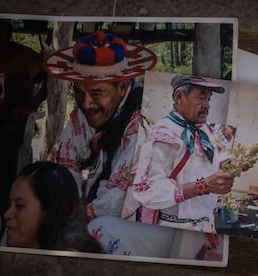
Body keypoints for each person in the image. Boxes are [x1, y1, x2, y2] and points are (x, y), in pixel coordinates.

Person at [44, 30, 189, 258]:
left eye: (96, 93)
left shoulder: (143, 122)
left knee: (99, 230)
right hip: (103, 211)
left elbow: (116, 201)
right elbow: (61, 165)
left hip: (154, 227)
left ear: (122, 86)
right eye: (79, 93)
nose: (87, 103)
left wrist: (69, 219)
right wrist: (57, 203)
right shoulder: (84, 113)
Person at [132, 74, 235, 234]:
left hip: (207, 223)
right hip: (174, 228)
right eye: (201, 98)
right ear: (179, 96)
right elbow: (147, 190)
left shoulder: (206, 129)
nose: (207, 105)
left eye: (209, 99)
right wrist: (203, 186)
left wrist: (228, 166)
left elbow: (210, 161)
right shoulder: (163, 134)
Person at [0, 18, 47, 239]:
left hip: (11, 124)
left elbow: (48, 80)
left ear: (9, 32)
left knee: (2, 147)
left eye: (0, 30)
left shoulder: (23, 55)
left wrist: (28, 107)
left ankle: (1, 209)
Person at [3, 161, 103, 253]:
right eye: (9, 204)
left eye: (19, 206)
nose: (7, 214)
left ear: (49, 210)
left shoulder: (68, 264)